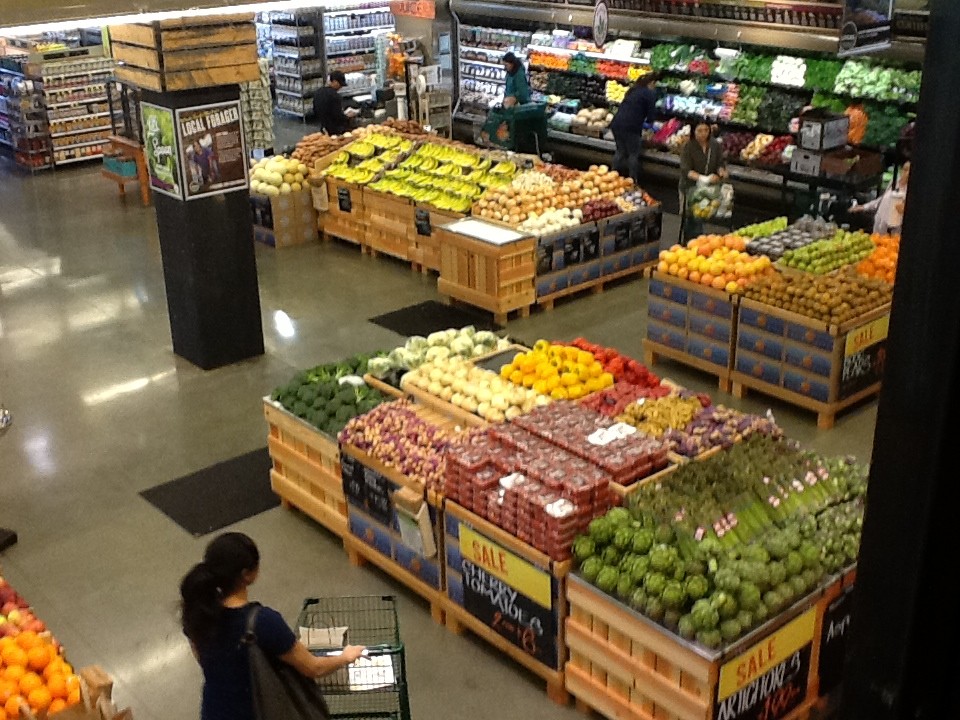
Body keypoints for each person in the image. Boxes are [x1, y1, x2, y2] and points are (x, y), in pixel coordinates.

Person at [180, 532, 366, 720]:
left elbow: (204, 659)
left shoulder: (197, 612)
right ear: (247, 575)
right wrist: (346, 657)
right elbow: (314, 668)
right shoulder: (263, 622)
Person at [678, 120, 728, 240]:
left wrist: (721, 172)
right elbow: (686, 170)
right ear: (693, 132)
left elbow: (720, 163)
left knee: (702, 215)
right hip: (689, 187)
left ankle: (697, 242)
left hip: (707, 189)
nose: (703, 134)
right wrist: (703, 178)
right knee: (692, 219)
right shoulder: (688, 147)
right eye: (699, 131)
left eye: (706, 130)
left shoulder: (714, 145)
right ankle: (690, 243)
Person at [609, 72, 659, 186]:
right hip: (631, 126)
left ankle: (611, 177)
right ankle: (632, 181)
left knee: (620, 151)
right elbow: (651, 115)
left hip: (617, 123)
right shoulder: (649, 93)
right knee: (633, 153)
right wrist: (650, 125)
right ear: (651, 83)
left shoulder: (633, 90)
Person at [851, 161, 910, 235]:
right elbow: (884, 198)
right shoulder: (895, 181)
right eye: (905, 170)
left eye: (909, 171)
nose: (907, 173)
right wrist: (864, 206)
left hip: (894, 229)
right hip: (880, 222)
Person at [312, 71, 358, 136]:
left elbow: (315, 110)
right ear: (334, 81)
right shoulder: (335, 96)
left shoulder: (318, 92)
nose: (341, 87)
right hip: (336, 130)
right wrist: (347, 117)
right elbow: (338, 116)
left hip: (323, 128)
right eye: (340, 84)